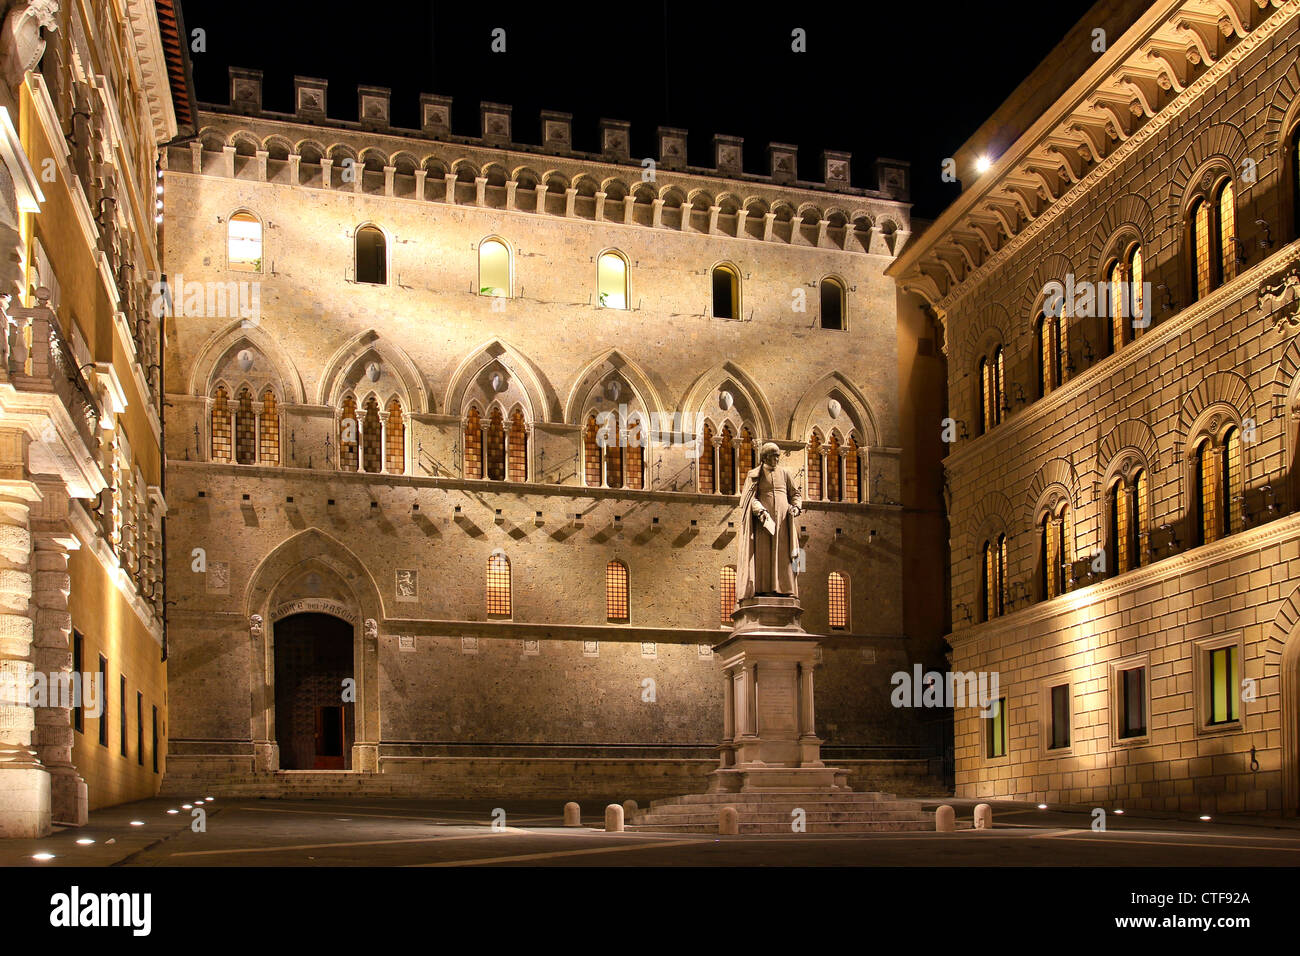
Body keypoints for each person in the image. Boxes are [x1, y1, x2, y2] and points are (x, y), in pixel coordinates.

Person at [734, 442, 802, 604]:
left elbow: (795, 494)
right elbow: (750, 499)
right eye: (773, 456)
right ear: (764, 457)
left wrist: (797, 507)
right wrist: (760, 511)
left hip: (783, 523)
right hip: (763, 523)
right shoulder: (754, 474)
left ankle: (785, 589)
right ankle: (762, 589)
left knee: (785, 555)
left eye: (778, 455)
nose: (777, 459)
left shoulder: (785, 473)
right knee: (763, 555)